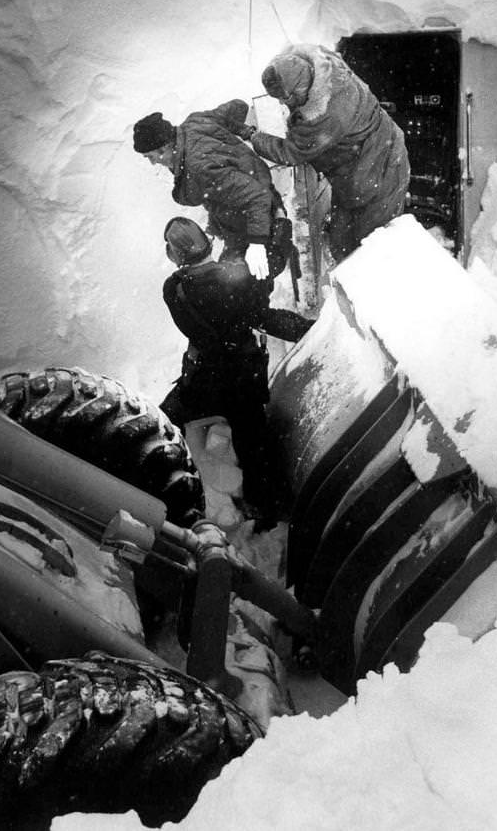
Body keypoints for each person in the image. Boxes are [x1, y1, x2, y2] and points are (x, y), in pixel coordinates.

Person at [158, 217, 313, 529]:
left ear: (176, 256)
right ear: (208, 244)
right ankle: (267, 507)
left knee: (165, 422)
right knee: (255, 444)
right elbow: (264, 316)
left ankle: (165, 486)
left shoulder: (174, 289)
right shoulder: (236, 281)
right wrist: (311, 330)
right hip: (243, 380)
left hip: (202, 382)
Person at [238, 43, 410, 262]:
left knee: (369, 251)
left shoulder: (327, 115)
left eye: (285, 98)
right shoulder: (321, 64)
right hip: (359, 167)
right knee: (341, 241)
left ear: (300, 89)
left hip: (382, 170)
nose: (282, 103)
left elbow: (290, 153)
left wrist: (253, 136)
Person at [133, 101, 294, 283]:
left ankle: (281, 243)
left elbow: (257, 197)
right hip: (252, 195)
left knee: (243, 284)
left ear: (165, 148)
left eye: (151, 157)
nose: (153, 163)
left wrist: (256, 244)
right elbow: (237, 107)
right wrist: (243, 133)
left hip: (255, 218)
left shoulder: (198, 169)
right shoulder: (195, 121)